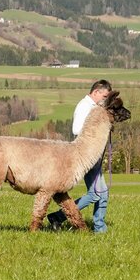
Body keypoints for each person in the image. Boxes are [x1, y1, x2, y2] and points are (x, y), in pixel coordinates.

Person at [47, 79, 113, 233]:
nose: (105, 101)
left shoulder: (94, 107)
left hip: (92, 156)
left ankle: (99, 228)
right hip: (84, 156)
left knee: (102, 193)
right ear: (96, 92)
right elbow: (77, 129)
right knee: (96, 193)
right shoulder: (84, 106)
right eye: (104, 97)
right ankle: (59, 216)